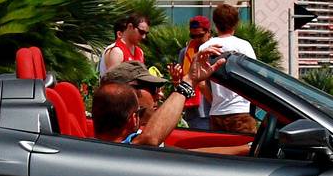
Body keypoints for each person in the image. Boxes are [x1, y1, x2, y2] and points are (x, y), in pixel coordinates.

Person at [91, 53, 250, 155]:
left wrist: (246, 150)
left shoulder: (102, 148)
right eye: (153, 89)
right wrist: (188, 81)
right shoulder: (130, 147)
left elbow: (188, 155)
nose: (159, 94)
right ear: (128, 92)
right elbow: (150, 140)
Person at [196, 3, 257, 135]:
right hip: (241, 111)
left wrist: (215, 102)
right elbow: (254, 79)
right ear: (236, 23)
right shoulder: (244, 46)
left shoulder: (205, 47)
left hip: (217, 113)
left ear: (215, 23)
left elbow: (201, 85)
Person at [178, 15, 214, 130]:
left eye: (200, 35)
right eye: (193, 36)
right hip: (195, 113)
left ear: (209, 32)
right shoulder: (185, 53)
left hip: (217, 111)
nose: (196, 39)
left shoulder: (216, 50)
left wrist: (215, 105)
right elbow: (182, 83)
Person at [100, 13, 148, 77]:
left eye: (146, 33)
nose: (143, 37)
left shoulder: (139, 51)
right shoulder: (117, 51)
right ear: (130, 26)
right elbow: (112, 82)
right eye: (141, 32)